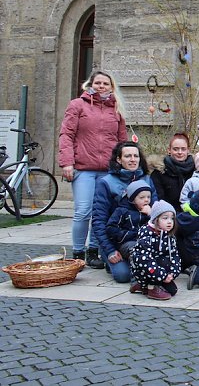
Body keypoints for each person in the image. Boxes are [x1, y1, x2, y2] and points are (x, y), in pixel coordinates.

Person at [59, 69, 128, 268]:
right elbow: (66, 135)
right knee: (83, 211)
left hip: (108, 171)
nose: (101, 86)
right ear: (90, 84)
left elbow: (122, 141)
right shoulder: (77, 105)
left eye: (105, 84)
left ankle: (94, 251)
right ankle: (78, 252)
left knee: (102, 213)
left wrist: (123, 167)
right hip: (83, 168)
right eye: (98, 83)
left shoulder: (116, 109)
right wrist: (67, 163)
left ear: (111, 87)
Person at [92, 141, 158, 283]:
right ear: (118, 159)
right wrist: (109, 250)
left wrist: (152, 212)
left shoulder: (147, 179)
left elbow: (158, 211)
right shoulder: (105, 182)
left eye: (136, 156)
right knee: (123, 276)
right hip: (116, 241)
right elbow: (98, 220)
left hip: (143, 240)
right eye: (128, 156)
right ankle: (112, 262)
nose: (133, 159)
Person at [130, 200, 182, 300]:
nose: (169, 221)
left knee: (172, 290)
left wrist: (172, 273)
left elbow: (175, 255)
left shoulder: (169, 236)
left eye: (172, 218)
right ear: (155, 219)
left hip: (161, 270)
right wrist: (162, 276)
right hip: (146, 270)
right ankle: (150, 287)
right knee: (158, 261)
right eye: (165, 218)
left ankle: (143, 286)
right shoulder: (147, 235)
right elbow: (145, 261)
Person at [105, 179, 152, 264]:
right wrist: (129, 234)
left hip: (146, 242)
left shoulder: (150, 211)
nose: (146, 200)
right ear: (132, 199)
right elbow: (111, 228)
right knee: (136, 249)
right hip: (127, 243)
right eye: (142, 197)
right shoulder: (122, 211)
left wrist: (151, 215)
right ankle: (136, 270)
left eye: (148, 197)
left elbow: (157, 226)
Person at [150, 132, 196, 210]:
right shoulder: (159, 172)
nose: (180, 152)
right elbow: (158, 199)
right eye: (175, 149)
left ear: (188, 150)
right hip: (168, 216)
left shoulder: (197, 170)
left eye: (183, 149)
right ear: (169, 150)